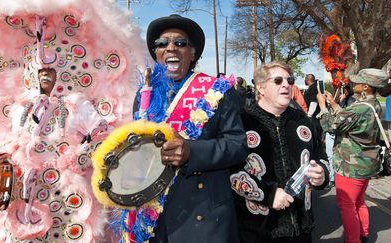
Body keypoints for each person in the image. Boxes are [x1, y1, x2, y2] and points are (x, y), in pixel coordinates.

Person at [0, 1, 145, 242]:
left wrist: (79, 157)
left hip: (68, 192)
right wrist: (5, 156)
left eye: (50, 71)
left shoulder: (77, 105)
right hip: (28, 193)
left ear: (61, 73)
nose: (45, 75)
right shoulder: (20, 109)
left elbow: (101, 133)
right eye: (41, 72)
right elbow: (12, 141)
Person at [137, 14, 248, 243]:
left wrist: (191, 152)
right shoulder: (143, 95)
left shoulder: (216, 90)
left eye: (180, 43)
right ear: (156, 53)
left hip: (203, 215)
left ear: (193, 53)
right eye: (162, 43)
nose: (171, 48)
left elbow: (237, 145)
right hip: (154, 217)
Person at [230, 61, 329, 243]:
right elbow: (230, 171)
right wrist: (269, 194)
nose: (286, 84)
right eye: (277, 80)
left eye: (289, 80)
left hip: (301, 227)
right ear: (260, 88)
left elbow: (321, 157)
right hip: (258, 230)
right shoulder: (241, 123)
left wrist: (322, 174)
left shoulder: (303, 121)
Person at [317, 68, 389, 243]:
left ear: (365, 87)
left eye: (357, 81)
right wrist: (334, 105)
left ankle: (352, 239)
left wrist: (322, 106)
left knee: (347, 205)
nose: (353, 83)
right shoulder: (373, 104)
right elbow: (349, 120)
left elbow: (331, 125)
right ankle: (363, 234)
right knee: (359, 201)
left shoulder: (360, 108)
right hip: (366, 163)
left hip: (351, 164)